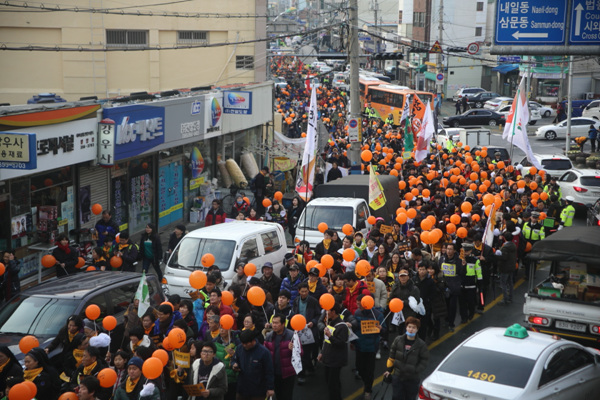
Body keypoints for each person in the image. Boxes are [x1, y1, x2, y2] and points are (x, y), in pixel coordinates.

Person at [385, 317, 430, 400]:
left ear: (417, 329)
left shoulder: (421, 344)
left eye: (413, 327)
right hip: (398, 377)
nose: (411, 329)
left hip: (412, 379)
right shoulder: (398, 340)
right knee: (397, 397)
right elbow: (392, 356)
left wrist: (415, 370)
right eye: (409, 327)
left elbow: (424, 360)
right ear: (406, 327)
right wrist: (389, 370)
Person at [351, 294, 384, 399]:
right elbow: (355, 329)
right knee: (360, 368)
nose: (358, 305)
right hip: (360, 346)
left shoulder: (378, 315)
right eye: (357, 303)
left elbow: (385, 331)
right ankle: (366, 382)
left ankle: (368, 389)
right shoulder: (357, 313)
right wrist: (352, 342)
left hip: (371, 348)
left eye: (360, 304)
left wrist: (381, 329)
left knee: (369, 370)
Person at [232, 329, 275, 400]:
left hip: (258, 391)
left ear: (253, 341)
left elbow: (269, 371)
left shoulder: (264, 352)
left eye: (246, 343)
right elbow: (234, 359)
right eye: (242, 343)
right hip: (242, 389)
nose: (244, 345)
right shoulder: (239, 348)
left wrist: (270, 388)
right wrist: (234, 365)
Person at [318, 303, 348, 400]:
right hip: (328, 357)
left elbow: (341, 343)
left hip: (336, 360)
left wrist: (330, 336)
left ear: (333, 312)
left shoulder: (342, 326)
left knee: (333, 383)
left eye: (328, 311)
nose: (326, 313)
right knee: (329, 381)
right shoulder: (330, 322)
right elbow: (326, 342)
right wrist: (322, 352)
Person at [263, 315, 298, 400]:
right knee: (278, 395)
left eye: (276, 323)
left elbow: (300, 354)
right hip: (274, 373)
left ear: (283, 324)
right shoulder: (269, 336)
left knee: (287, 396)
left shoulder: (292, 335)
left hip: (288, 373)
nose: (274, 325)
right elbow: (264, 354)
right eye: (273, 323)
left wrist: (293, 349)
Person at [292, 283, 320, 383]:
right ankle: (302, 373)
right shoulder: (296, 301)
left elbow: (318, 315)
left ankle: (307, 370)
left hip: (309, 330)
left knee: (306, 353)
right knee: (300, 353)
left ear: (308, 291)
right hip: (298, 330)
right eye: (302, 291)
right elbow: (294, 313)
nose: (304, 293)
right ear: (299, 291)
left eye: (306, 291)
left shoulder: (313, 301)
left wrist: (313, 322)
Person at [438, 243, 464, 331]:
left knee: (452, 306)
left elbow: (461, 273)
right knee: (445, 305)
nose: (448, 251)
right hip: (444, 286)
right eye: (447, 249)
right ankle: (446, 320)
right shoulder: (442, 259)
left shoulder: (459, 261)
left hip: (454, 287)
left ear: (454, 250)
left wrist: (463, 266)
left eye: (450, 249)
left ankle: (451, 323)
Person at [458, 243, 482, 324]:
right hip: (462, 285)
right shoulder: (459, 260)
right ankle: (463, 318)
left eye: (467, 251)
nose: (465, 253)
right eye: (464, 251)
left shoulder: (475, 260)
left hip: (471, 286)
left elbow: (479, 273)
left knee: (471, 302)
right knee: (462, 304)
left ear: (471, 251)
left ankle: (471, 313)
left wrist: (480, 284)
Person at [495, 231, 517, 305]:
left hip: (505, 267)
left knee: (503, 283)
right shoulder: (513, 245)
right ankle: (510, 298)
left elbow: (503, 257)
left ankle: (505, 299)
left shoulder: (505, 248)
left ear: (504, 238)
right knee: (510, 283)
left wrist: (496, 255)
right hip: (511, 266)